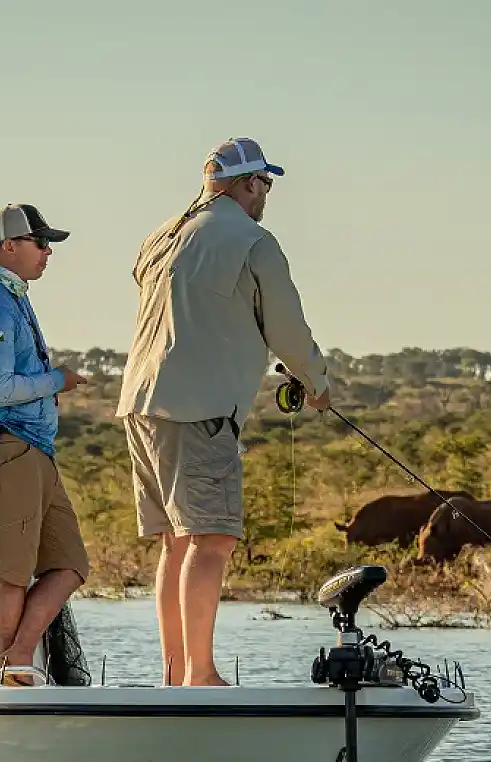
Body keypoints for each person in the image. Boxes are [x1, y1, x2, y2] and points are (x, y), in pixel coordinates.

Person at [117, 138, 331, 686]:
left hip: (140, 405)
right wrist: (316, 382)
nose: (267, 194)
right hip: (199, 409)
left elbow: (198, 313)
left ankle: (174, 674)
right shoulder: (254, 240)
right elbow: (286, 324)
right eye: (265, 183)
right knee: (211, 538)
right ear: (245, 184)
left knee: (177, 540)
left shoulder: (160, 237)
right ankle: (200, 676)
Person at [0, 203, 90, 683]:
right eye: (40, 243)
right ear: (8, 246)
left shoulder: (13, 297)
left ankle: (15, 662)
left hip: (33, 449)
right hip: (6, 444)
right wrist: (58, 379)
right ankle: (11, 672)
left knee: (71, 563)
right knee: (11, 571)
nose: (47, 252)